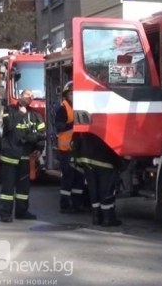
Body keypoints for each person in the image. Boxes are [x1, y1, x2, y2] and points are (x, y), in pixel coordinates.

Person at [0, 89, 46, 222]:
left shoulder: (35, 115)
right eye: (27, 95)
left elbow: (42, 133)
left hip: (25, 157)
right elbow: (8, 126)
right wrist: (20, 114)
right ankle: (5, 214)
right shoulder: (9, 110)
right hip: (10, 156)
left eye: (31, 96)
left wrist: (39, 147)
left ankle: (22, 212)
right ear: (20, 97)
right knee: (8, 188)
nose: (29, 98)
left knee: (23, 189)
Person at [73, 133, 122, 227]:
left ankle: (96, 217)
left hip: (86, 158)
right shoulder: (106, 123)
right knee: (106, 190)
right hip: (104, 159)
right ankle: (108, 219)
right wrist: (121, 163)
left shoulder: (89, 120)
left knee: (93, 190)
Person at [55, 81, 85, 213]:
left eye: (75, 93)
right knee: (68, 177)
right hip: (66, 150)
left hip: (78, 149)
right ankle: (65, 205)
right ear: (66, 95)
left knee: (79, 177)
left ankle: (77, 204)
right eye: (71, 93)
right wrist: (74, 124)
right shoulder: (63, 108)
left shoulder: (80, 107)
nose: (73, 96)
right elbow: (59, 127)